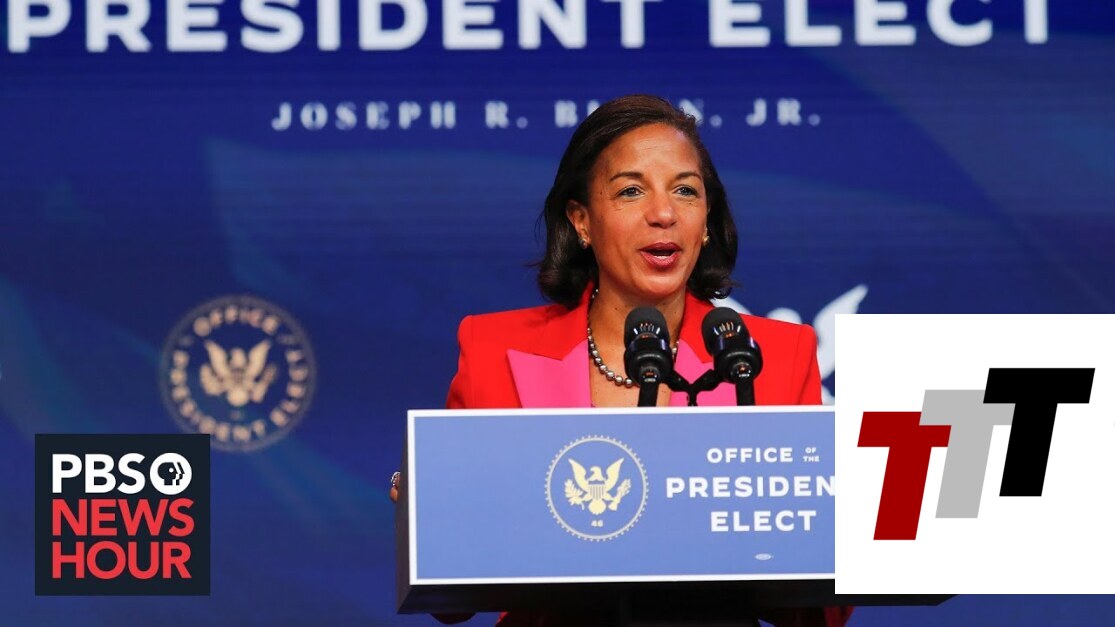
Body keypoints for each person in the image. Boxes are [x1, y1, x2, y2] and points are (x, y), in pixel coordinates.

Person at [409, 95, 850, 627]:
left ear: (706, 222)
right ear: (581, 221)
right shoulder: (494, 348)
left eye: (685, 190)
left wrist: (840, 525)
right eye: (631, 191)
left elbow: (815, 613)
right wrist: (424, 511)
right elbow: (453, 600)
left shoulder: (775, 356)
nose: (663, 213)